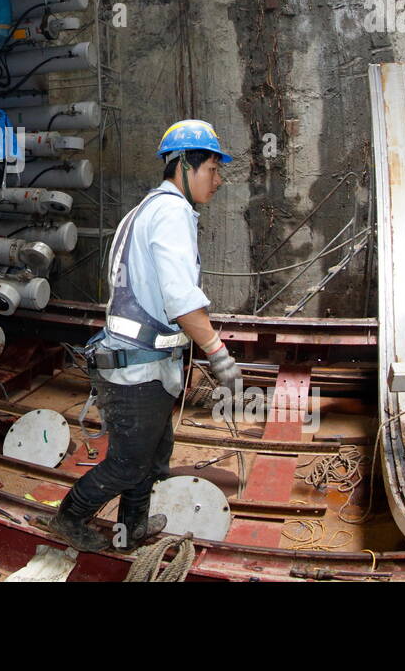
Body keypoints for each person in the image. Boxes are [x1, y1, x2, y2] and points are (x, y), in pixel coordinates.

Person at [47, 119, 243, 553]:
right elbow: (180, 298)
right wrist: (217, 352)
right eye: (212, 167)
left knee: (153, 457)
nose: (218, 179)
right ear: (183, 166)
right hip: (136, 369)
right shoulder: (171, 213)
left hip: (145, 363)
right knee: (127, 463)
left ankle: (132, 527)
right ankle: (68, 518)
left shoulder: (148, 209)